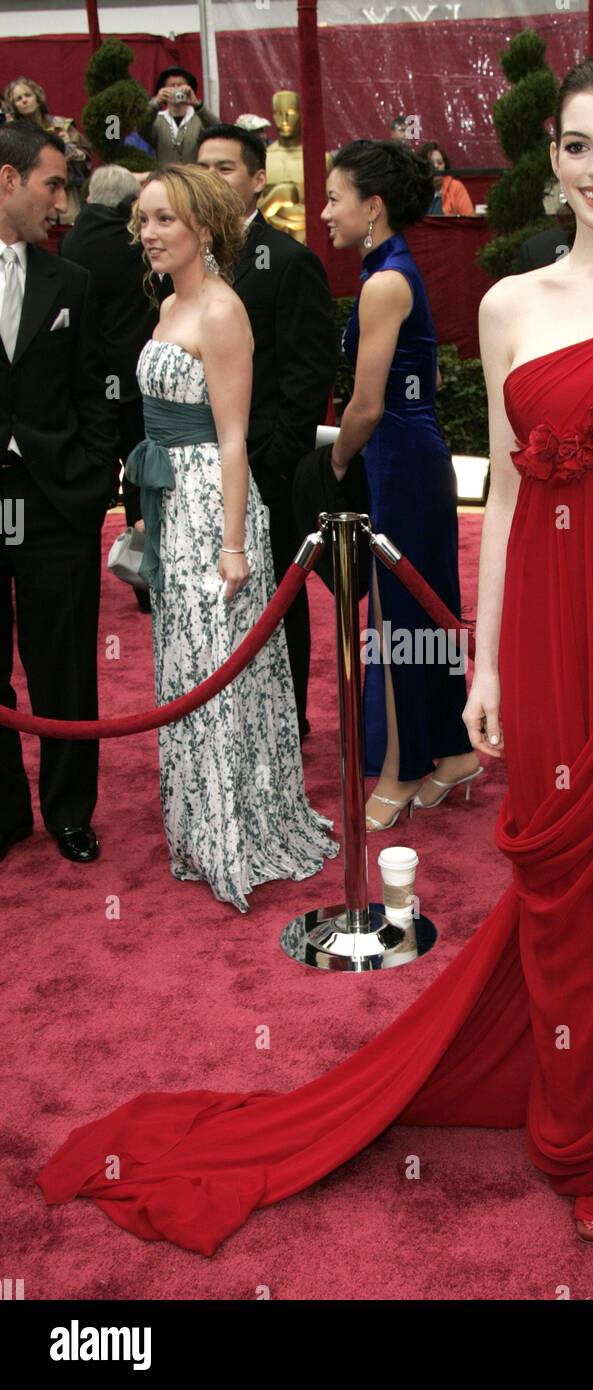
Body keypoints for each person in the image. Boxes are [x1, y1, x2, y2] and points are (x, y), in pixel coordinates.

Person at [36, 54, 593, 1256]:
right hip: (553, 629)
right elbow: (525, 504)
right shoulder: (509, 304)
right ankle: (581, 1111)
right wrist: (481, 663)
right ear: (552, 158)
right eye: (576, 146)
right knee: (572, 887)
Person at [124, 164, 337, 912]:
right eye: (143, 219)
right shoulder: (171, 302)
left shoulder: (220, 310)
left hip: (217, 509)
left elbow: (233, 436)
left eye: (164, 221)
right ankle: (203, 826)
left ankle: (238, 832)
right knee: (189, 666)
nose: (148, 233)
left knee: (224, 667)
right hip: (173, 506)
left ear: (204, 229)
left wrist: (236, 546)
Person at [323, 139, 481, 829]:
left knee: (396, 620)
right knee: (421, 610)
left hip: (399, 461)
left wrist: (332, 465)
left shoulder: (384, 281)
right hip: (413, 455)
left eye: (333, 199)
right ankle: (449, 754)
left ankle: (399, 769)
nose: (323, 213)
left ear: (373, 205)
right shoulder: (395, 271)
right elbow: (430, 379)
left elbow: (364, 405)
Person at [196, 122, 337, 740]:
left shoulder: (288, 260)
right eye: (202, 167)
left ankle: (288, 722)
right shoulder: (187, 263)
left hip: (265, 468)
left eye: (225, 168)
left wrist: (275, 463)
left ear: (258, 180)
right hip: (198, 467)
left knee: (279, 598)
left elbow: (308, 374)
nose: (211, 179)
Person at [0, 125, 117, 865]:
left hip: (54, 501)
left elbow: (97, 392)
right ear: (7, 179)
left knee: (64, 662)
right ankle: (5, 814)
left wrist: (91, 476)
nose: (61, 202)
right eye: (51, 184)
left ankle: (69, 810)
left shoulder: (69, 280)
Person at [59, 163, 159, 613]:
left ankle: (77, 577)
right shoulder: (135, 243)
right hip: (137, 377)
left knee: (98, 474)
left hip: (91, 382)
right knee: (141, 475)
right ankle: (146, 580)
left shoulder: (70, 241)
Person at [3, 76, 91, 224]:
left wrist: (68, 147)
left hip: (67, 195)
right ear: (14, 106)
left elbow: (86, 159)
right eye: (18, 99)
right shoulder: (14, 134)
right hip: (30, 197)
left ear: (37, 97)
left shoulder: (62, 125)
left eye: (28, 95)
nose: (24, 100)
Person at [136, 67, 219, 168]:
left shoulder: (200, 117)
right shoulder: (157, 119)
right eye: (172, 86)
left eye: (180, 86)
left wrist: (196, 104)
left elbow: (218, 130)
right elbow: (141, 126)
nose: (176, 89)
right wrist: (156, 102)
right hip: (166, 180)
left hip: (195, 180)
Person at [418, 142, 475, 216]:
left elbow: (469, 220)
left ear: (445, 166)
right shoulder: (416, 189)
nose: (436, 166)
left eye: (440, 163)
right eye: (431, 163)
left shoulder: (456, 187)